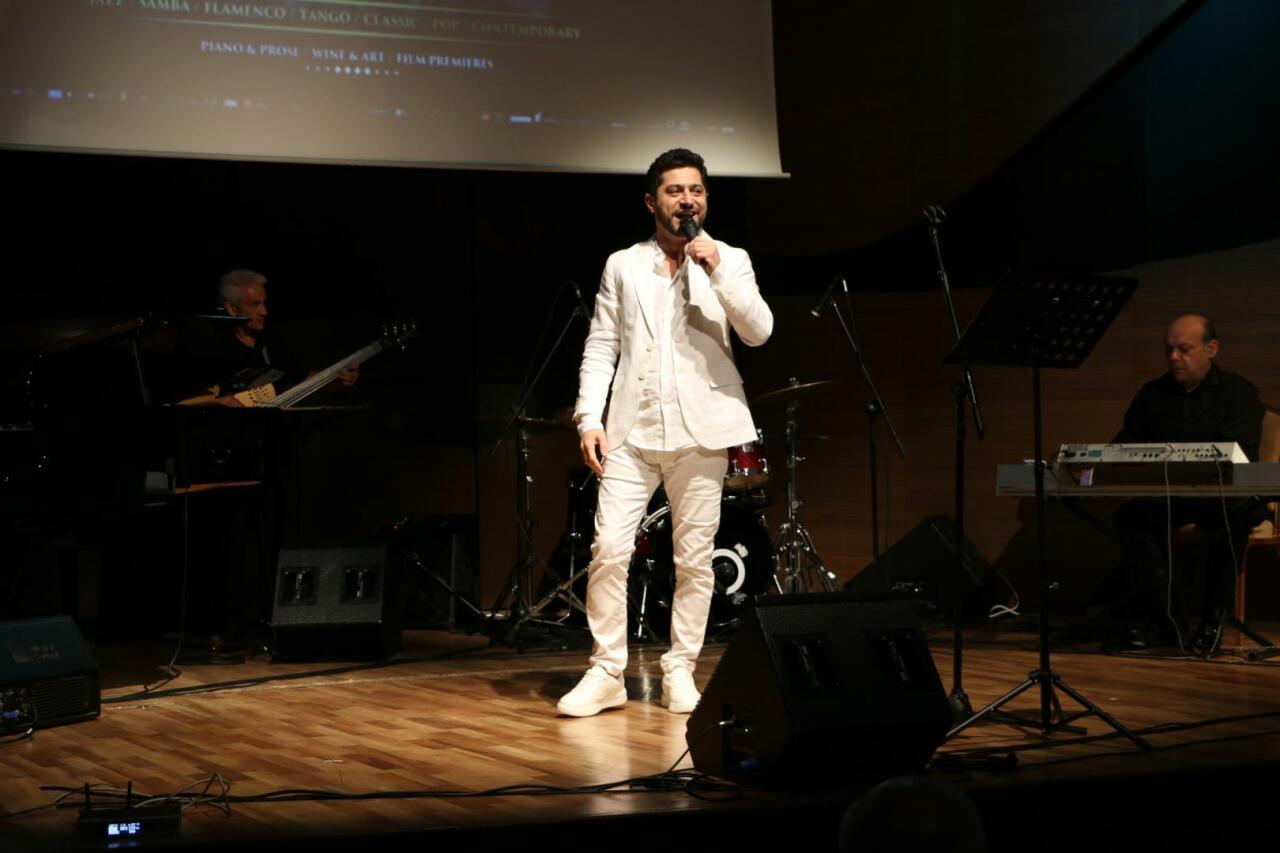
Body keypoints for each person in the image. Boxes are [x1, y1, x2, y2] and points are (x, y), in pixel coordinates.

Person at [556, 148, 773, 717]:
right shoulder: (623, 265)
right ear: (652, 202)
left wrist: (717, 269)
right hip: (632, 430)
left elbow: (758, 331)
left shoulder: (730, 259)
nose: (688, 200)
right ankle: (607, 671)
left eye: (696, 190)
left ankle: (680, 669)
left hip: (702, 431)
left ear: (706, 200)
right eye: (676, 191)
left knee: (695, 559)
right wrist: (589, 417)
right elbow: (602, 344)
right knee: (608, 549)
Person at [1106, 314, 1267, 654]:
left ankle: (1213, 619)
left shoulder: (1238, 391)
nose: (1174, 357)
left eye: (1184, 349)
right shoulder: (1152, 394)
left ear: (1211, 349)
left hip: (1222, 497)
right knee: (1131, 518)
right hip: (1169, 497)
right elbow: (1126, 443)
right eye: (1169, 350)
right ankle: (1165, 620)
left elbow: (1240, 453)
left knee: (1232, 519)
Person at [186, 269, 358, 403]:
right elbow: (188, 398)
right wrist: (217, 402)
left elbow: (303, 377)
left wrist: (336, 379)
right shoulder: (209, 348)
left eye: (264, 303)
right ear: (232, 309)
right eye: (255, 304)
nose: (264, 311)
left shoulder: (270, 339)